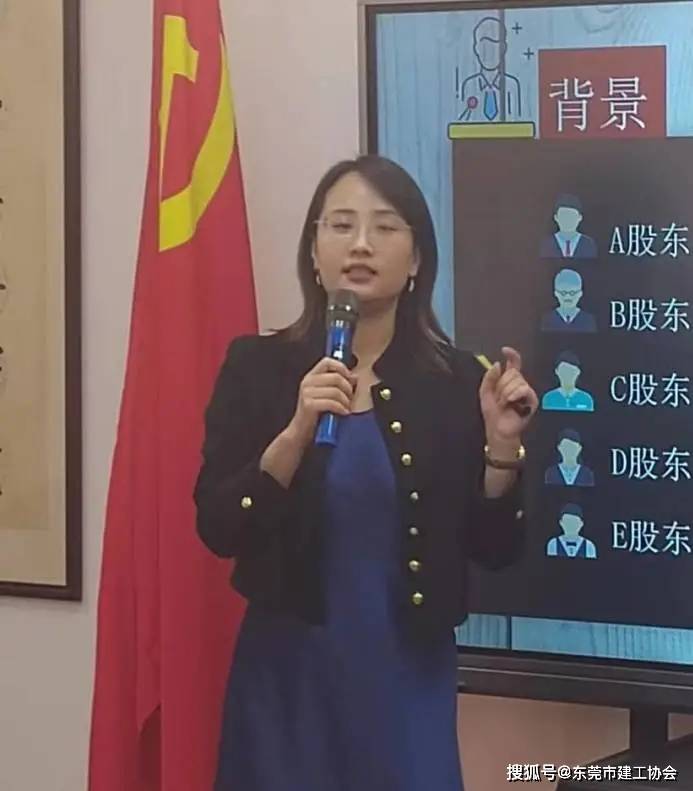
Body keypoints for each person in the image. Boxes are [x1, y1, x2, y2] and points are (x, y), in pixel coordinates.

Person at [194, 155, 538, 791]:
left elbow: (496, 549)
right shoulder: (257, 367)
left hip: (405, 678)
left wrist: (502, 447)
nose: (360, 244)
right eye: (341, 225)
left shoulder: (459, 381)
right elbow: (219, 527)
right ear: (314, 252)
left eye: (384, 227)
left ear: (416, 260)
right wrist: (295, 433)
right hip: (288, 683)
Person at [458, 17, 522, 122]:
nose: (490, 52)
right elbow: (462, 122)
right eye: (485, 45)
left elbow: (518, 121)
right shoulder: (469, 85)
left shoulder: (511, 85)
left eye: (496, 44)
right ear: (476, 48)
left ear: (504, 48)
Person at [540, 194, 597, 259]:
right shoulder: (546, 244)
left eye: (572, 216)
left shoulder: (588, 244)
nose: (567, 221)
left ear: (580, 218)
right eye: (564, 216)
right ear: (556, 217)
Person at [541, 269, 596, 333]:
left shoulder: (589, 320)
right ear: (556, 293)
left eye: (572, 293)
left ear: (580, 293)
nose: (568, 297)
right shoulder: (547, 320)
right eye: (563, 293)